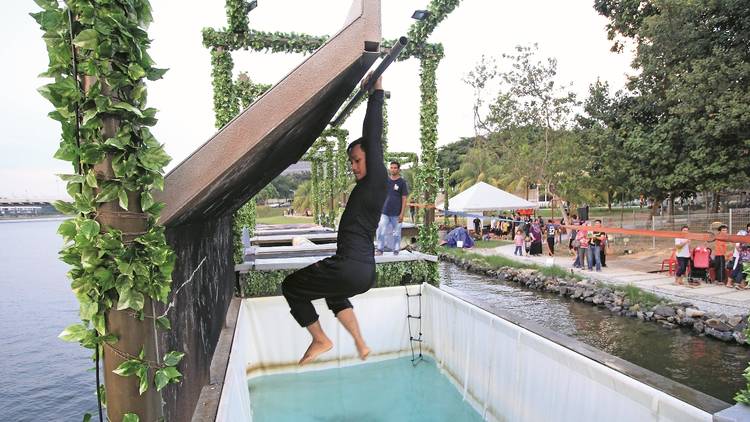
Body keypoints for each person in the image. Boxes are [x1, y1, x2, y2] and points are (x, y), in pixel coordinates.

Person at [281, 74, 386, 365]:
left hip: (350, 266)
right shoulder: (368, 187)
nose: (353, 167)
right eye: (350, 161)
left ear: (372, 160)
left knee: (291, 286)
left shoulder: (377, 180)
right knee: (334, 296)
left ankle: (320, 339)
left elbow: (373, 135)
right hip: (363, 272)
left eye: (357, 160)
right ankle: (361, 344)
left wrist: (375, 92)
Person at [375, 160, 409, 255]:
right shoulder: (386, 181)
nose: (393, 169)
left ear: (398, 169)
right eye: (391, 167)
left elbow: (404, 198)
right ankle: (380, 249)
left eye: (395, 168)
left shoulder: (402, 182)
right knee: (380, 230)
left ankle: (396, 250)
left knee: (397, 234)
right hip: (384, 212)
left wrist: (402, 213)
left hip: (397, 213)